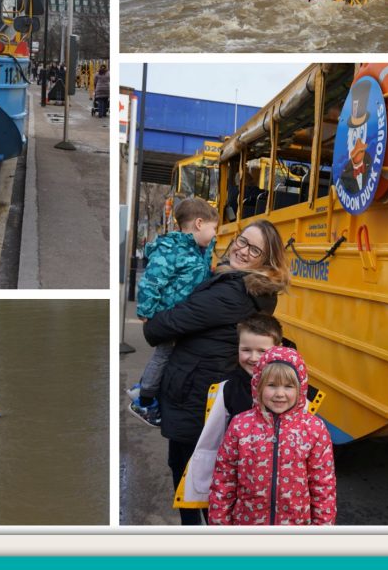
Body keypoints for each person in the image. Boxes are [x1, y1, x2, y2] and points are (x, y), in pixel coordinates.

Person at [143, 219, 290, 526]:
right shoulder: (245, 286)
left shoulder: (234, 292)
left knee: (192, 479)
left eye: (255, 249)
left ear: (267, 260)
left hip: (196, 396)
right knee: (206, 480)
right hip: (205, 393)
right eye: (242, 240)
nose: (243, 250)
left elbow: (167, 324)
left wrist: (151, 322)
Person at [208, 346, 337, 525]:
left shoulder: (314, 429)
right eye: (271, 385)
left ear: (301, 388)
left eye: (288, 386)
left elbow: (323, 485)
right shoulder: (240, 426)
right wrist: (219, 524)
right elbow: (224, 478)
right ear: (258, 385)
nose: (280, 394)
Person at [173, 312, 283, 511]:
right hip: (237, 481)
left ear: (279, 349)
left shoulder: (293, 393)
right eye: (246, 350)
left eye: (262, 350)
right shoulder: (229, 389)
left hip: (277, 487)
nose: (253, 358)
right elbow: (215, 438)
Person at [129, 197, 218, 426]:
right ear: (199, 224)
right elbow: (151, 281)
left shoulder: (200, 250)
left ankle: (144, 388)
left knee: (169, 356)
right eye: (214, 228)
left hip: (183, 316)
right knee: (163, 355)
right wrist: (146, 311)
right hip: (168, 316)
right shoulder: (172, 249)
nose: (216, 234)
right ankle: (145, 400)